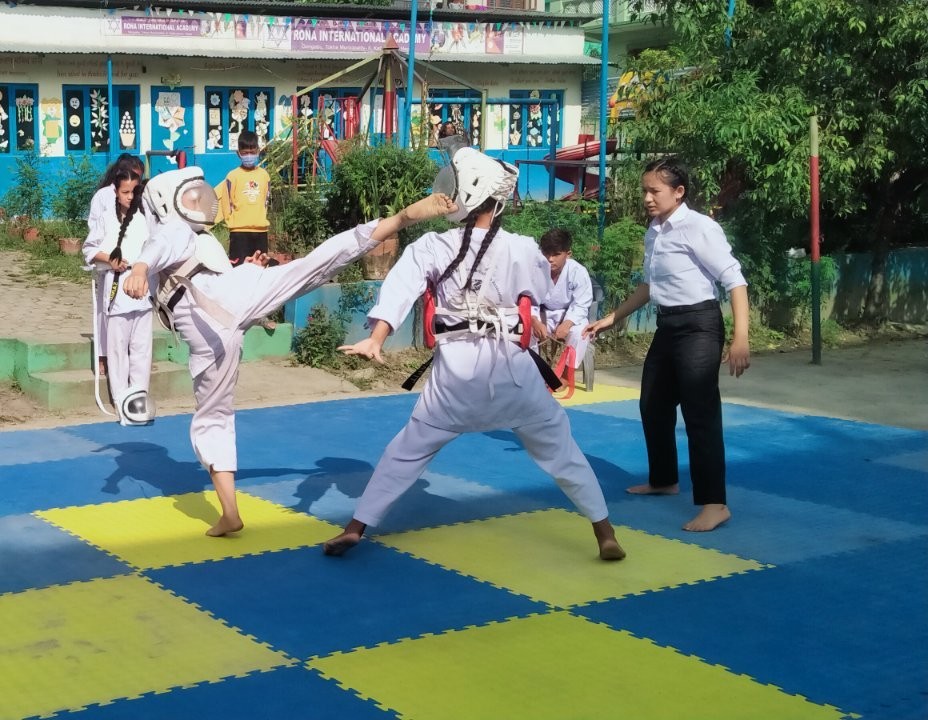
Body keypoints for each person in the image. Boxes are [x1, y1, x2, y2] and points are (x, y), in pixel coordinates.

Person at [323, 147, 625, 562]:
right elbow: (538, 294)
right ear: (497, 203)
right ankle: (605, 534)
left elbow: (401, 289)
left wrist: (377, 337)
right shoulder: (522, 249)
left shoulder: (431, 246)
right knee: (564, 453)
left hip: (454, 384)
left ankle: (355, 528)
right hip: (515, 378)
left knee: (404, 452)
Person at [122, 166, 456, 537]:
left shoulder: (187, 235)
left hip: (216, 318)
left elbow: (166, 255)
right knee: (314, 264)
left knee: (212, 418)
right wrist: (139, 268)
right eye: (192, 197)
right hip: (229, 305)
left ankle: (229, 511)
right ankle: (399, 218)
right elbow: (158, 248)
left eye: (198, 195)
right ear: (169, 204)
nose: (200, 203)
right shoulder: (173, 233)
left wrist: (140, 269)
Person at [583, 157, 751, 532]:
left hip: (700, 325)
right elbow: (649, 286)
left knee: (699, 412)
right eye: (645, 190)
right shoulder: (655, 231)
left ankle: (715, 503)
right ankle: (664, 479)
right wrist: (614, 316)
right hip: (668, 324)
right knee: (653, 403)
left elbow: (735, 281)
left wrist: (741, 337)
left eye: (654, 191)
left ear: (679, 192)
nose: (647, 197)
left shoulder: (699, 227)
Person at [82, 169, 153, 421]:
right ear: (115, 191)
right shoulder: (106, 218)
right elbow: (89, 250)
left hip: (142, 290)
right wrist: (110, 260)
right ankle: (121, 399)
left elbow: (156, 250)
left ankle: (139, 398)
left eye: (134, 192)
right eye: (125, 192)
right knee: (118, 349)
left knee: (142, 349)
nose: (130, 197)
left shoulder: (145, 219)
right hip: (116, 288)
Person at [87, 154, 146, 376]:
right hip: (109, 266)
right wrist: (107, 256)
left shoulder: (140, 203)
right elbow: (94, 233)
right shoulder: (104, 197)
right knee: (106, 313)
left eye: (137, 182)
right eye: (126, 190)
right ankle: (105, 356)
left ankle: (131, 359)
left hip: (135, 270)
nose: (131, 194)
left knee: (135, 319)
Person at [531, 228, 593, 380]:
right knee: (524, 328)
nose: (550, 259)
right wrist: (534, 321)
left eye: (556, 254)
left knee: (581, 332)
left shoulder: (578, 271)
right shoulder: (535, 270)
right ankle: (532, 372)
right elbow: (528, 299)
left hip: (569, 315)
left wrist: (567, 323)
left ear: (568, 254)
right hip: (541, 315)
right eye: (546, 253)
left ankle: (566, 375)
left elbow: (581, 304)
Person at [214, 130, 271, 268]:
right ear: (238, 153)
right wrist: (232, 222)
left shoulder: (264, 175)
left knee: (260, 269)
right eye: (245, 153)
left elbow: (266, 200)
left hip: (260, 231)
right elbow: (226, 204)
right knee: (239, 268)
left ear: (258, 150)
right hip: (239, 233)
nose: (249, 156)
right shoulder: (232, 176)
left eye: (252, 152)